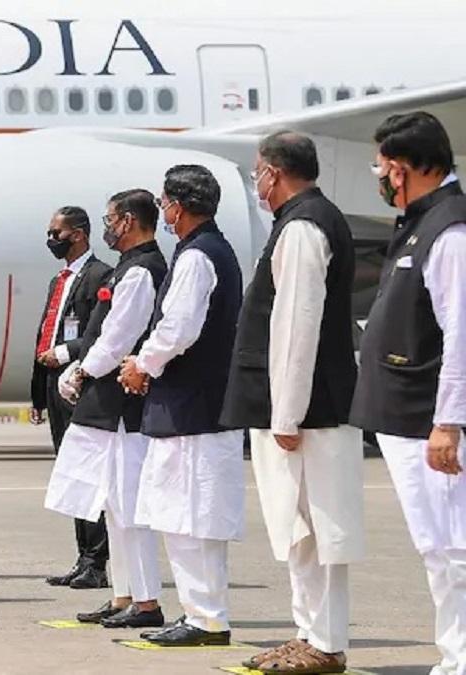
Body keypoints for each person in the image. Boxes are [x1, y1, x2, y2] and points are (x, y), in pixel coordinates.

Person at [222, 132, 363, 674]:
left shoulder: (305, 227)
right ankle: (308, 634)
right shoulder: (297, 222)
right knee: (297, 529)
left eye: (257, 171)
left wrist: (286, 412)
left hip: (310, 410)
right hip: (299, 407)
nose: (256, 182)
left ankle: (325, 642)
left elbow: (297, 326)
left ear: (273, 173)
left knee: (318, 529)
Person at [351, 111, 466, 675]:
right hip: (406, 417)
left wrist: (449, 422)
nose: (378, 177)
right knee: (437, 548)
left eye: (381, 167)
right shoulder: (420, 223)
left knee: (456, 548)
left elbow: (461, 334)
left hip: (430, 421)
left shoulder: (451, 233)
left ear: (400, 168)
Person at [118, 165, 244, 646]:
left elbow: (178, 328)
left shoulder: (196, 257)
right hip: (196, 407)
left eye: (165, 202)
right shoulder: (211, 250)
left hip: (193, 408)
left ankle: (206, 618)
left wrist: (142, 364)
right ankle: (202, 614)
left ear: (179, 205)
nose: (164, 211)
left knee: (190, 517)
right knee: (186, 517)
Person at [46, 189, 168, 630]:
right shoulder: (126, 268)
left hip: (123, 405)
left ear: (129, 221)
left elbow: (118, 337)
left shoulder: (140, 271)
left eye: (111, 220)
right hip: (109, 403)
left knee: (130, 505)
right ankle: (124, 594)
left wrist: (81, 370)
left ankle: (147, 600)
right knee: (115, 505)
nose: (108, 228)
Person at [32, 206, 113, 589]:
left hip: (78, 379)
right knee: (72, 473)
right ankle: (83, 557)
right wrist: (38, 394)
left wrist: (65, 353)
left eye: (57, 233)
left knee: (88, 471)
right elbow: (46, 332)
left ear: (78, 234)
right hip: (54, 383)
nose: (52, 240)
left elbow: (103, 331)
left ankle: (97, 560)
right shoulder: (59, 280)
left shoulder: (101, 275)